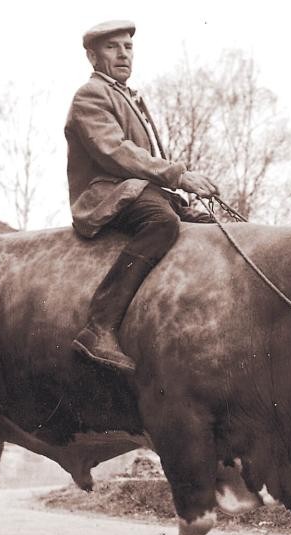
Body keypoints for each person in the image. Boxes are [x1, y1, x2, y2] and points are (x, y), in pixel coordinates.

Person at [65, 19, 220, 375]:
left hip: (137, 190)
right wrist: (179, 176)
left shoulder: (129, 97)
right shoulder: (91, 95)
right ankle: (99, 326)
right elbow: (114, 152)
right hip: (106, 193)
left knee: (206, 225)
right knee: (161, 222)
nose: (122, 54)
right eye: (111, 47)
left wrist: (179, 193)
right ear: (92, 56)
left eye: (128, 47)